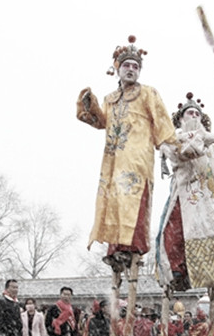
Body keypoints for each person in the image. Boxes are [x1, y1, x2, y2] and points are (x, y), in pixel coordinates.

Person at [76, 35, 177, 269]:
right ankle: (115, 247)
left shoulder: (148, 93)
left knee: (132, 198)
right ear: (118, 69)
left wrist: (168, 145)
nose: (131, 70)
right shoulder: (111, 99)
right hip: (113, 159)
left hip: (137, 157)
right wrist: (89, 104)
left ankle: (132, 247)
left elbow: (161, 120)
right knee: (113, 201)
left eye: (135, 66)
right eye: (127, 66)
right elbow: (102, 122)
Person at [155, 93, 214, 292]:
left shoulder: (209, 144)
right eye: (189, 113)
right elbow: (179, 156)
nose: (193, 117)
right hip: (185, 190)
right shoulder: (173, 137)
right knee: (175, 229)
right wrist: (199, 140)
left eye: (196, 114)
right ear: (181, 118)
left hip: (208, 192)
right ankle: (178, 271)